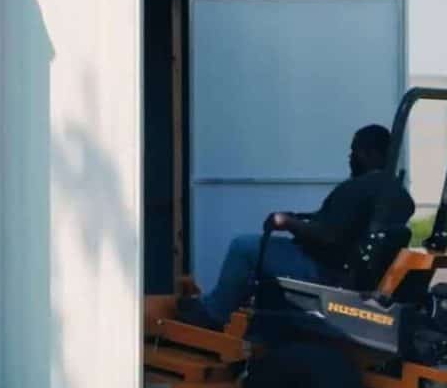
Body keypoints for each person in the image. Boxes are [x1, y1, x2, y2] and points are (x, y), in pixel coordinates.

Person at [177, 124, 415, 330]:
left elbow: (329, 236)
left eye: (354, 150)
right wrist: (302, 220)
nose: (350, 156)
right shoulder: (399, 196)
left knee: (243, 247)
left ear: (370, 153)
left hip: (324, 270)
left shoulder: (359, 188)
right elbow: (343, 226)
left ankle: (214, 312)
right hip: (348, 267)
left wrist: (287, 222)